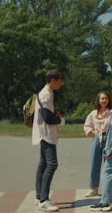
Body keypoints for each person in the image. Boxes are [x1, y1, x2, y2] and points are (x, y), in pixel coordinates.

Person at [32, 69, 66, 212]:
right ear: (53, 80)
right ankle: (44, 201)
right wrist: (60, 120)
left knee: (43, 164)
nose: (61, 84)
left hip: (43, 133)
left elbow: (47, 114)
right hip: (46, 134)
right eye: (60, 81)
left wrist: (54, 116)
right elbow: (48, 118)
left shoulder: (47, 93)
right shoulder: (46, 94)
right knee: (52, 164)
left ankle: (40, 196)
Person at [83, 91, 112, 197]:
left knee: (108, 165)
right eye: (102, 99)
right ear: (98, 100)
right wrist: (92, 132)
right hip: (97, 139)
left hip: (109, 139)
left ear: (109, 100)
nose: (104, 101)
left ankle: (109, 188)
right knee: (94, 163)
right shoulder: (93, 113)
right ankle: (93, 189)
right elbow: (87, 126)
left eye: (106, 98)